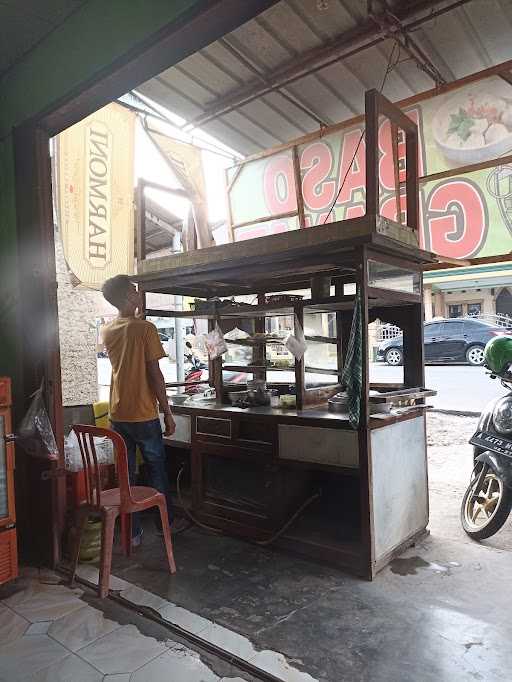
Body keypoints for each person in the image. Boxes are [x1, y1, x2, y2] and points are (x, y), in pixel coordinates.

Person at [101, 274, 185, 545]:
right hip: (143, 413)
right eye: (135, 291)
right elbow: (155, 374)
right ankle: (165, 526)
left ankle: (133, 533)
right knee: (156, 469)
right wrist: (168, 412)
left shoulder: (109, 329)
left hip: (117, 413)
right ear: (128, 297)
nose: (139, 294)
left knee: (127, 474)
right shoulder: (145, 328)